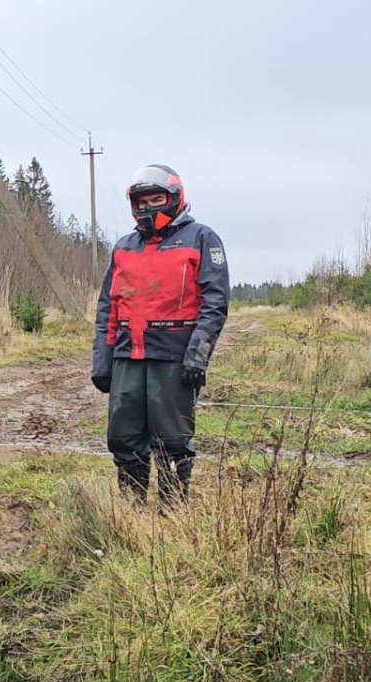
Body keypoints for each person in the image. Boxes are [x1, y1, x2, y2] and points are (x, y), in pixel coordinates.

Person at [91, 164, 229, 506]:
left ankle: (171, 518)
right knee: (123, 439)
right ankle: (131, 513)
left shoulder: (201, 238)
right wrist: (102, 362)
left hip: (173, 360)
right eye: (141, 202)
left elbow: (215, 303)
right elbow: (108, 307)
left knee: (172, 441)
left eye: (156, 199)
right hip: (128, 358)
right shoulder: (124, 246)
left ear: (175, 198)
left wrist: (198, 356)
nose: (148, 207)